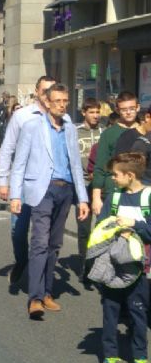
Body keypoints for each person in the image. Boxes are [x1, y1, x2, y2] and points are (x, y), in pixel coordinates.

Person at [9, 83, 89, 319]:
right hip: (42, 190)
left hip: (65, 191)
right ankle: (34, 298)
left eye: (65, 101)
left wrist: (82, 199)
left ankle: (46, 293)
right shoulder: (33, 126)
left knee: (55, 244)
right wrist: (15, 195)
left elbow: (76, 164)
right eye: (57, 101)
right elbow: (20, 162)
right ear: (47, 102)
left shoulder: (70, 129)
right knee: (39, 242)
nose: (62, 105)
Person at [0, 75, 57, 285]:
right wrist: (3, 180)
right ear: (37, 91)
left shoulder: (59, 117)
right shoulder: (22, 115)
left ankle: (40, 276)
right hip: (22, 183)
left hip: (49, 184)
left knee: (45, 233)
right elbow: (7, 148)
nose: (48, 95)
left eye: (52, 90)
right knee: (18, 229)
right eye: (44, 90)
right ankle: (22, 260)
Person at [95, 152, 151, 363]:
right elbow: (100, 227)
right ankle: (110, 355)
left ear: (130, 175)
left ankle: (140, 357)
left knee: (138, 314)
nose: (112, 179)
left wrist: (134, 225)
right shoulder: (114, 197)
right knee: (111, 313)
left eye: (115, 175)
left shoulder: (147, 196)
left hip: (140, 269)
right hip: (114, 269)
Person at [92, 92, 141, 217]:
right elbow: (100, 166)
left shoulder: (144, 131)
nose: (128, 112)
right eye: (124, 110)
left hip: (140, 191)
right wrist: (96, 197)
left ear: (138, 108)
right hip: (114, 191)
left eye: (131, 109)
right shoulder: (109, 134)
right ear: (118, 110)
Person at [75, 97, 105, 284]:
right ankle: (84, 265)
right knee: (84, 228)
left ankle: (99, 265)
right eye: (91, 112)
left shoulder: (104, 132)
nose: (95, 116)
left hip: (100, 186)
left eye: (97, 112)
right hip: (82, 186)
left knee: (101, 229)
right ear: (84, 113)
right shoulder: (75, 132)